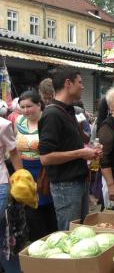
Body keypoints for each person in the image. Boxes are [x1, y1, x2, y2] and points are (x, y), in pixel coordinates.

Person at [38, 66, 102, 231]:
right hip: (65, 186)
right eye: (79, 82)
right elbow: (45, 157)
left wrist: (89, 150)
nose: (83, 86)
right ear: (68, 83)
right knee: (69, 234)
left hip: (79, 181)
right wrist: (81, 153)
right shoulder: (52, 114)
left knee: (80, 231)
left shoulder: (70, 110)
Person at [15, 90, 57, 241]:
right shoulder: (18, 121)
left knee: (48, 208)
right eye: (23, 107)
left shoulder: (47, 120)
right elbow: (15, 149)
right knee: (31, 210)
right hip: (25, 171)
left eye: (29, 106)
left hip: (45, 171)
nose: (26, 110)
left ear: (39, 105)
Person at [0, 105, 23, 272]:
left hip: (0, 185)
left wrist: (22, 179)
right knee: (3, 236)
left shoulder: (3, 125)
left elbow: (14, 153)